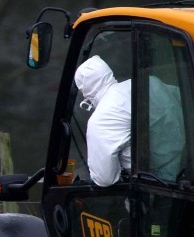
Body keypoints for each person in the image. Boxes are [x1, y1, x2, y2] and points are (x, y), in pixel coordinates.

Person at [75, 55, 183, 187]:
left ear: (85, 91)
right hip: (186, 166)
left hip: (156, 186)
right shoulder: (149, 82)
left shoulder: (101, 119)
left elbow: (105, 179)